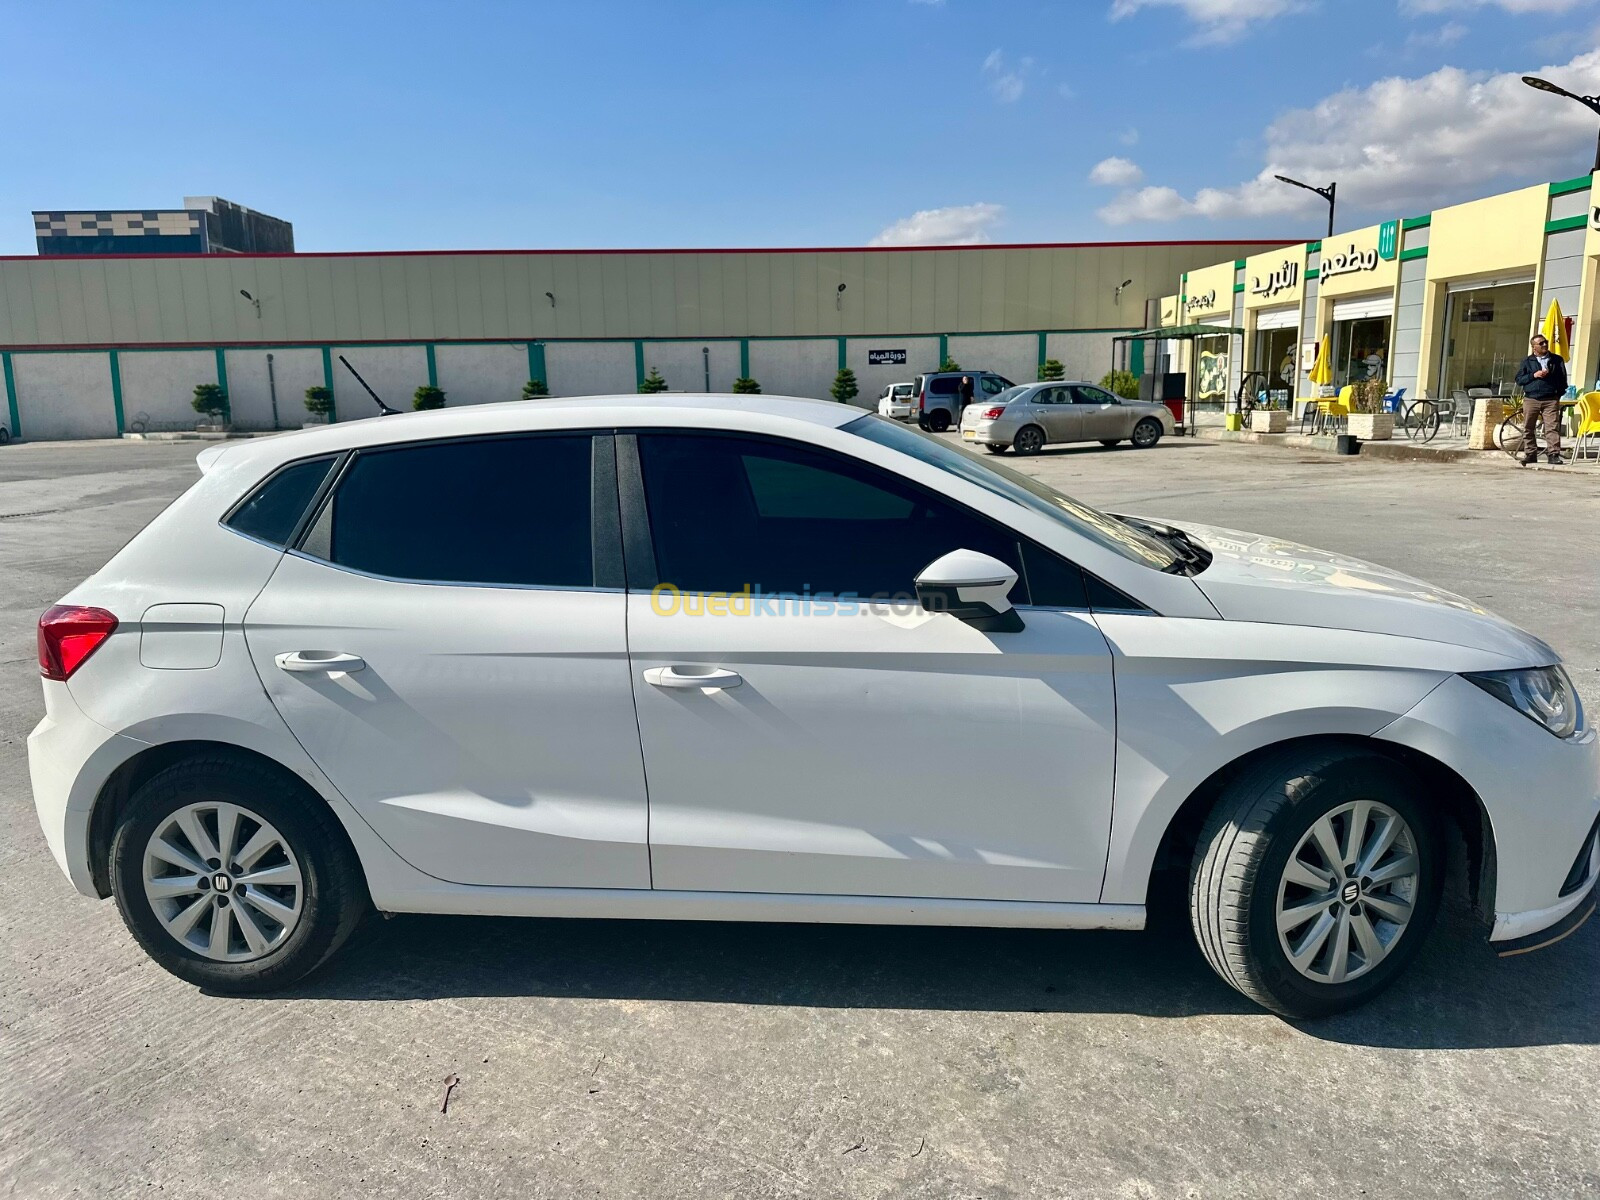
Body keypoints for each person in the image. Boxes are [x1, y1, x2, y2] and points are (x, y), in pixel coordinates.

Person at [1514, 334, 1567, 465]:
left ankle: (1553, 454)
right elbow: (1519, 380)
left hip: (1550, 399)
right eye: (1541, 343)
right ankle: (1531, 454)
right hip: (1531, 399)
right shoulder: (1527, 361)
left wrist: (1557, 395)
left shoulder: (1556, 360)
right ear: (1534, 347)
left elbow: (1562, 380)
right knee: (1528, 427)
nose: (1545, 345)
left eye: (1546, 342)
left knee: (1552, 427)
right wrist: (1534, 375)